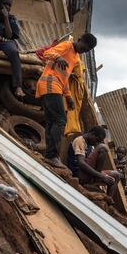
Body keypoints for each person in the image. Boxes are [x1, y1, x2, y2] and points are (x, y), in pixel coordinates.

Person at [35, 33, 97, 168]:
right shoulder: (67, 46)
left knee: (52, 121)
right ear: (79, 40)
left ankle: (49, 155)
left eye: (86, 51)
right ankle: (52, 155)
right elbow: (47, 53)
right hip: (50, 83)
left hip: (55, 85)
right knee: (60, 120)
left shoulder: (75, 58)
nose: (83, 50)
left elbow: (64, 77)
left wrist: (68, 96)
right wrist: (58, 57)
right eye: (83, 47)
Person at [66, 126, 118, 199]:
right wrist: (101, 176)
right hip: (78, 173)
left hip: (87, 174)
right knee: (102, 147)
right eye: (97, 140)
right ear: (92, 134)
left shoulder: (90, 146)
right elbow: (81, 163)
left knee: (116, 175)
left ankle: (108, 199)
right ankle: (96, 180)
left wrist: (100, 175)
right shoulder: (80, 141)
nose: (96, 142)